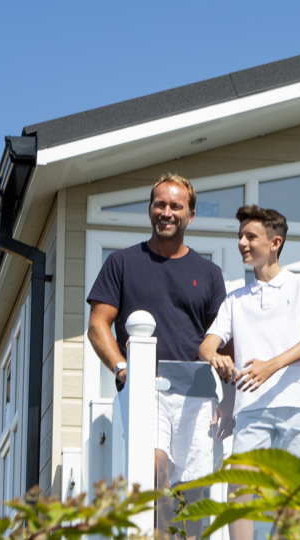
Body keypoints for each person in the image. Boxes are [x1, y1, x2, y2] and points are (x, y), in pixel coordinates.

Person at [85, 173, 228, 536]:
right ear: (150, 209)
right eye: (159, 204)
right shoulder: (122, 263)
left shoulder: (209, 274)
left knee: (194, 493)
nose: (166, 212)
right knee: (154, 470)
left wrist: (229, 402)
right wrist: (122, 369)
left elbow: (221, 341)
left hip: (197, 395)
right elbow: (98, 325)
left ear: (190, 215)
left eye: (175, 206)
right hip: (145, 389)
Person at [198, 205, 300, 540]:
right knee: (239, 484)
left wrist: (271, 365)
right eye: (240, 236)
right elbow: (207, 346)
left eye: (250, 236)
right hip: (252, 409)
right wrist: (216, 359)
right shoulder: (235, 300)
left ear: (275, 242)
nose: (242, 242)